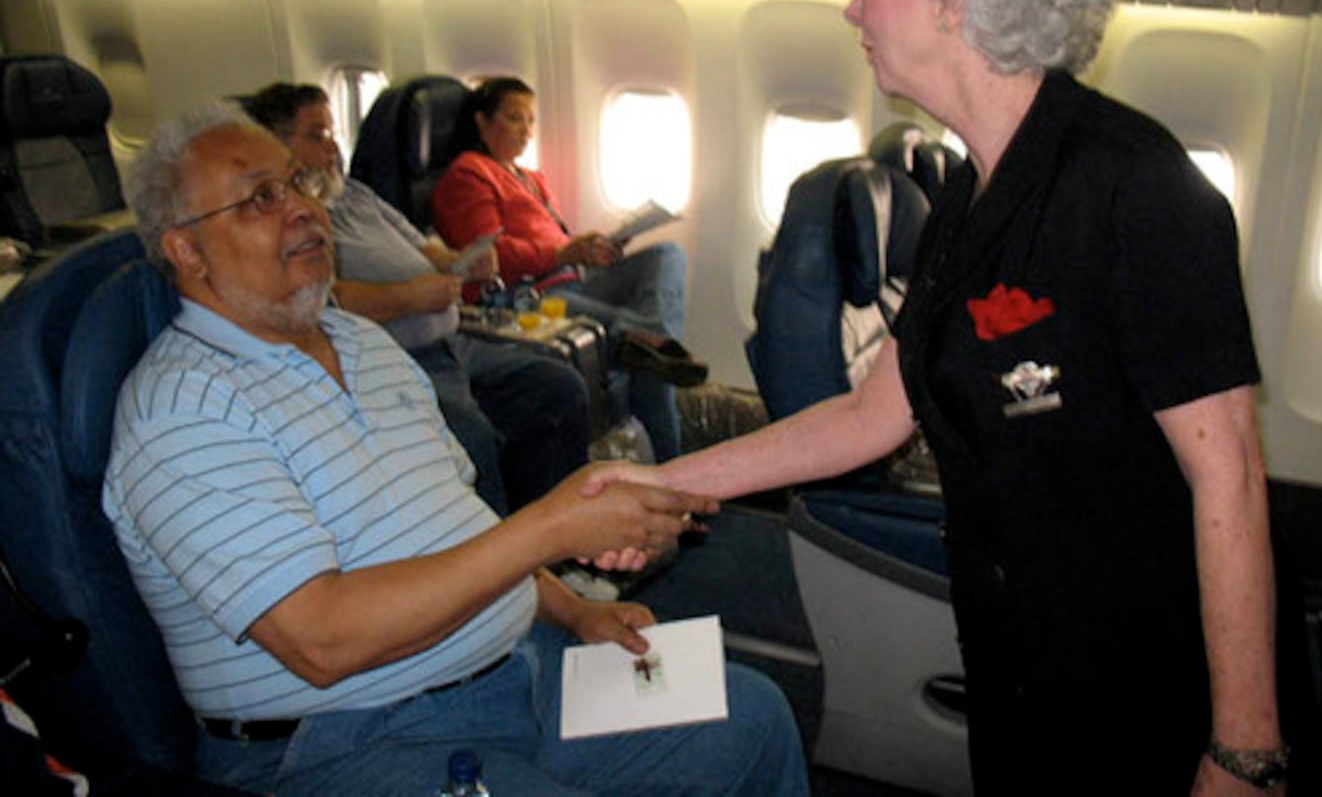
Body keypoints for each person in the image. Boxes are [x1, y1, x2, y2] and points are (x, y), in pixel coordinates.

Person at [594, 0, 1322, 796]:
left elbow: (1227, 474)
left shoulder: (1133, 188)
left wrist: (1244, 752)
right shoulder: (964, 202)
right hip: (1020, 665)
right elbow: (869, 417)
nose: (850, 6)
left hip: (1151, 684)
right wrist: (664, 483)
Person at [101, 103, 809, 797]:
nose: (303, 210)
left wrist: (574, 612)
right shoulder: (181, 414)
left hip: (513, 672)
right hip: (348, 739)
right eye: (261, 198)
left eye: (297, 183)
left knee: (752, 719)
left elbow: (456, 527)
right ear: (186, 249)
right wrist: (551, 527)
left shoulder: (361, 341)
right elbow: (323, 642)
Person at [244, 83, 590, 512]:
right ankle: (501, 553)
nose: (333, 147)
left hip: (451, 340)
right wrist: (410, 297)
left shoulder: (353, 194)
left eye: (332, 133)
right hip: (396, 356)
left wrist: (463, 262)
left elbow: (424, 249)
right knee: (472, 441)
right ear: (274, 144)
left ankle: (561, 533)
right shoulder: (288, 221)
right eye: (317, 136)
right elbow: (321, 303)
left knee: (559, 388)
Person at [432, 75, 704, 462]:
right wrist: (564, 254)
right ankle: (652, 356)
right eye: (514, 118)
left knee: (668, 255)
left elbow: (555, 242)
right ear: (481, 121)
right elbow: (490, 256)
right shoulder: (468, 174)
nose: (526, 131)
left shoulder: (531, 179)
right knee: (649, 365)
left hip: (576, 279)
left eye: (531, 121)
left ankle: (649, 338)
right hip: (530, 296)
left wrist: (591, 250)